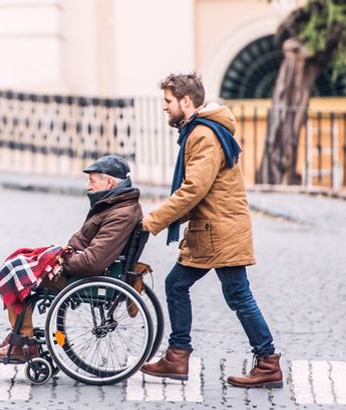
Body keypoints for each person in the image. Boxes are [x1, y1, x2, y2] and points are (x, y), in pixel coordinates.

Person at [137, 72, 282, 388]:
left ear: (185, 101)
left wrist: (152, 220)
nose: (165, 108)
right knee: (182, 285)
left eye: (168, 102)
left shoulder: (202, 135)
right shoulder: (201, 131)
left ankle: (266, 361)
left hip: (220, 231)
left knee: (234, 294)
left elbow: (194, 189)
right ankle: (179, 355)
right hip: (216, 228)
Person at [0, 155, 143, 362]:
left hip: (85, 275)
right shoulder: (118, 206)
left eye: (93, 181)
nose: (89, 186)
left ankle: (22, 340)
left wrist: (59, 263)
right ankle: (18, 336)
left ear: (110, 182)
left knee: (20, 274)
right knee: (20, 261)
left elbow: (94, 260)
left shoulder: (120, 213)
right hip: (83, 267)